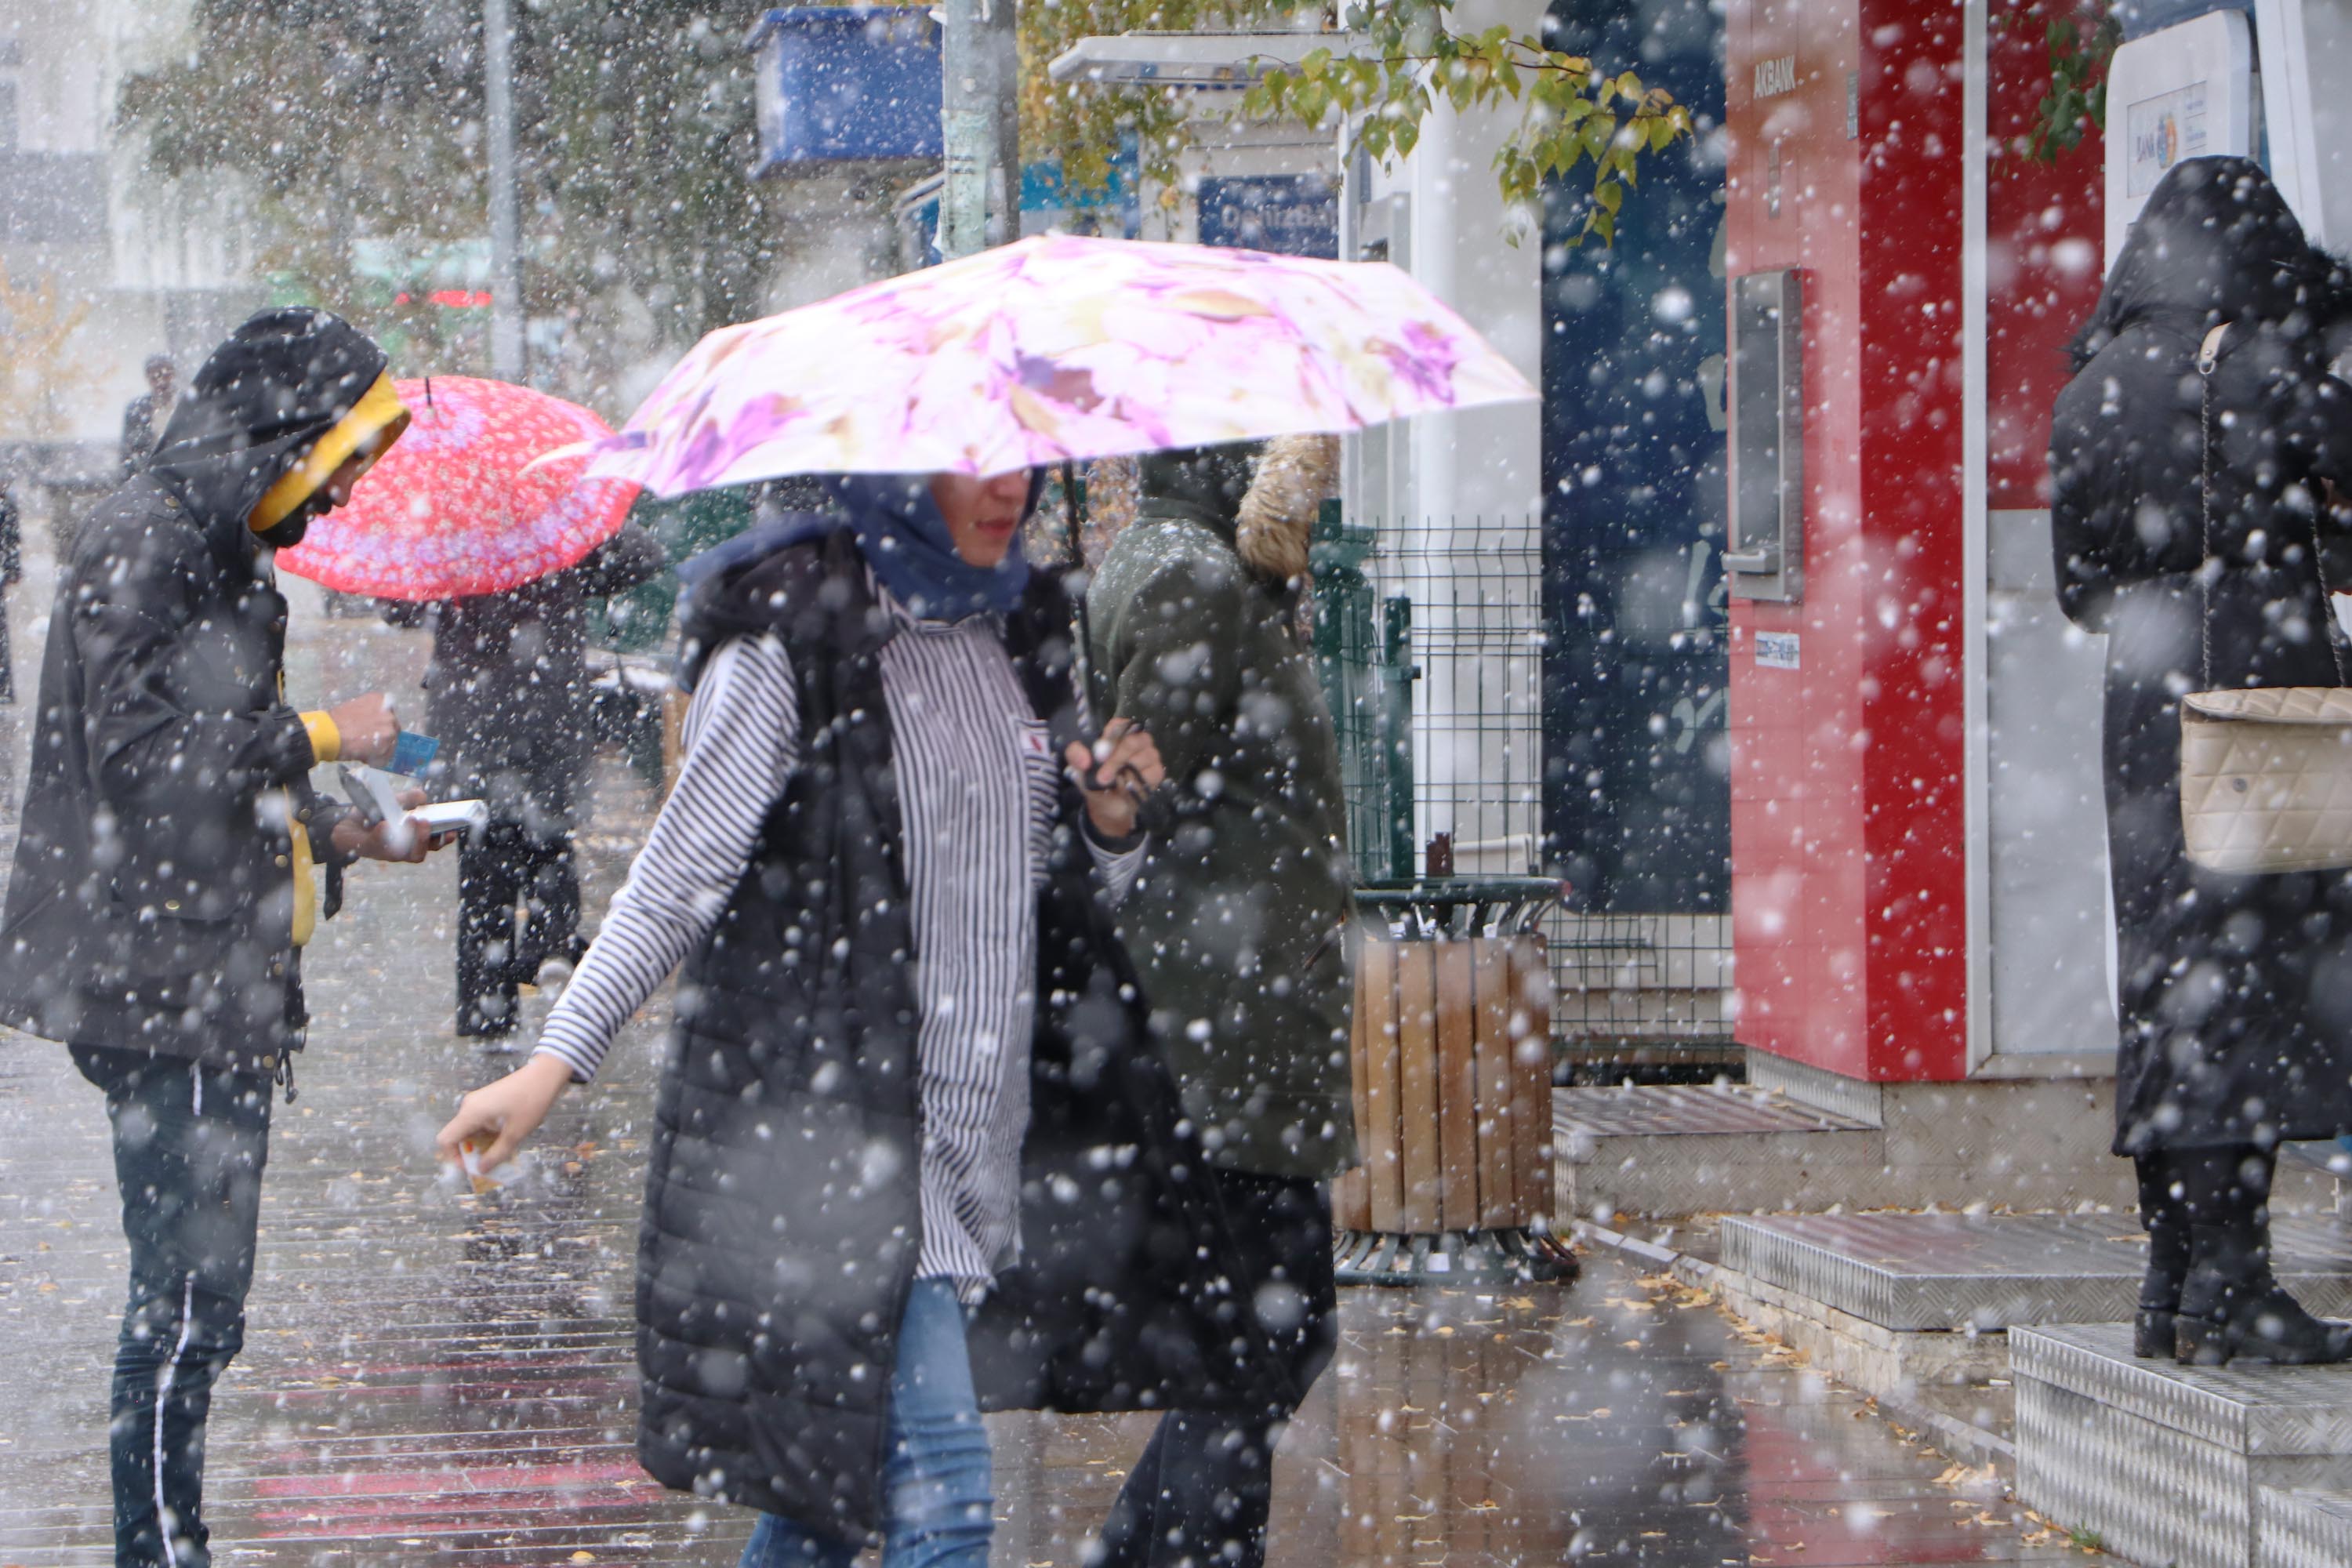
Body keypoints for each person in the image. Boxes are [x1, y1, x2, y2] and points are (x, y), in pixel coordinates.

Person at [434, 469, 1296, 1566]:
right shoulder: (795, 640)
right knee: (943, 1496)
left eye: (1018, 457)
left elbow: (1038, 900)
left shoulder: (1013, 636)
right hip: (841, 1144)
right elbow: (678, 877)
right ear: (896, 468)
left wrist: (1113, 825)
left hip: (976, 1131)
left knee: (823, 1505)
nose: (1007, 487)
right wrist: (552, 1063)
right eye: (970, 456)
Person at [0, 307, 455, 1568]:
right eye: (348, 455)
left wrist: (349, 831)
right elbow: (143, 761)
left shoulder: (217, 544)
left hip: (204, 968)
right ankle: (160, 1548)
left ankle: (169, 1537)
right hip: (161, 977)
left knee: (203, 1302)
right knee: (188, 1305)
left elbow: (217, 771)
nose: (351, 486)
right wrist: (325, 734)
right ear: (290, 428)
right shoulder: (151, 540)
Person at [2051, 155, 2352, 1367]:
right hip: (2265, 694)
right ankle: (2237, 1288)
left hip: (2142, 700)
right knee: (2259, 972)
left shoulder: (2090, 386)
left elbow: (2081, 592)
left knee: (2170, 975)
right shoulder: (2273, 371)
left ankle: (2172, 1281)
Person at [1083, 437, 1359, 1566]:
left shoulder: (1198, 569)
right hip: (1225, 1020)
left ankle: (1145, 1551)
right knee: (1268, 1335)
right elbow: (1139, 786)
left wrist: (1267, 595)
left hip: (1238, 1011)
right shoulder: (1188, 577)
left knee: (1258, 1337)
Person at [383, 524, 665, 1039]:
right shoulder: (555, 521)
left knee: (481, 867)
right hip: (550, 712)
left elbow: (394, 606)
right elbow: (642, 559)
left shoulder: (452, 524)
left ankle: (488, 1009)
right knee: (551, 840)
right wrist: (583, 539)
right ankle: (549, 941)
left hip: (469, 719)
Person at [119, 354, 178, 477]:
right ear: (148, 379)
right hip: (151, 476)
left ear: (173, 375)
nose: (161, 383)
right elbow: (129, 451)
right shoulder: (136, 411)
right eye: (155, 378)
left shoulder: (187, 405)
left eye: (166, 376)